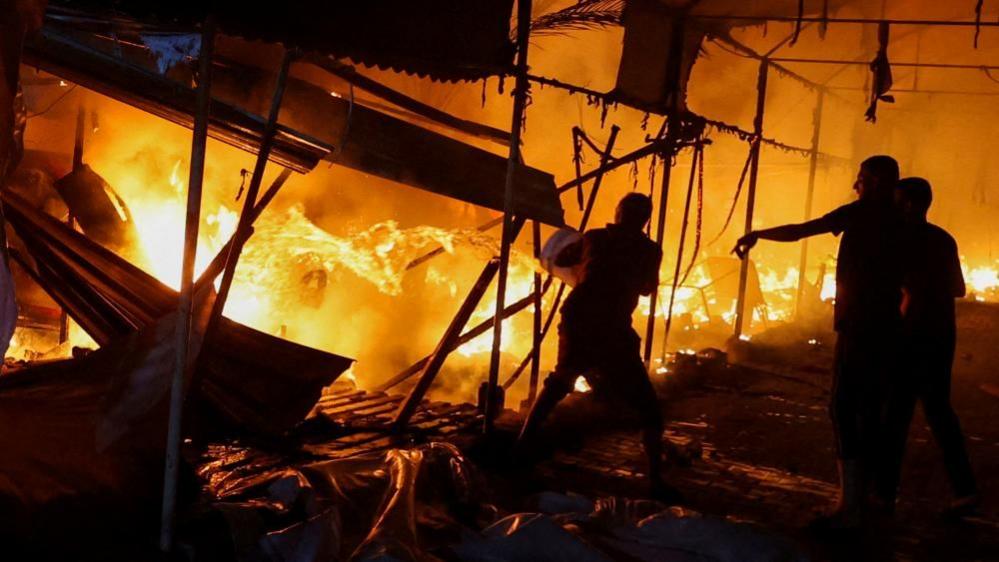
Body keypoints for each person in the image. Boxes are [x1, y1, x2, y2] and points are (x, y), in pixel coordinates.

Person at [733, 155, 904, 528]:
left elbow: (802, 230)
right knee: (874, 409)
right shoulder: (904, 221)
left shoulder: (861, 213)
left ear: (874, 181)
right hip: (890, 328)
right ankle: (875, 495)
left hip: (859, 326)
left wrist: (759, 234)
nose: (854, 185)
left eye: (860, 179)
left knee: (843, 407)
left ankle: (849, 506)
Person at [514, 192, 679, 501]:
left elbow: (561, 259)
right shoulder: (650, 250)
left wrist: (586, 261)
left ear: (617, 212)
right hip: (613, 325)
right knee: (648, 408)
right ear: (645, 219)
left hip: (580, 316)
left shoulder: (594, 237)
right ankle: (655, 480)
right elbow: (647, 289)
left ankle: (521, 447)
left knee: (559, 381)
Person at [875, 177, 978, 517]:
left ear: (907, 204)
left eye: (896, 200)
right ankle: (965, 490)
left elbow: (897, 288)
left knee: (896, 415)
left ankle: (884, 494)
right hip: (941, 335)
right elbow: (959, 289)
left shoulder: (900, 239)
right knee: (939, 412)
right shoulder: (943, 239)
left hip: (908, 336)